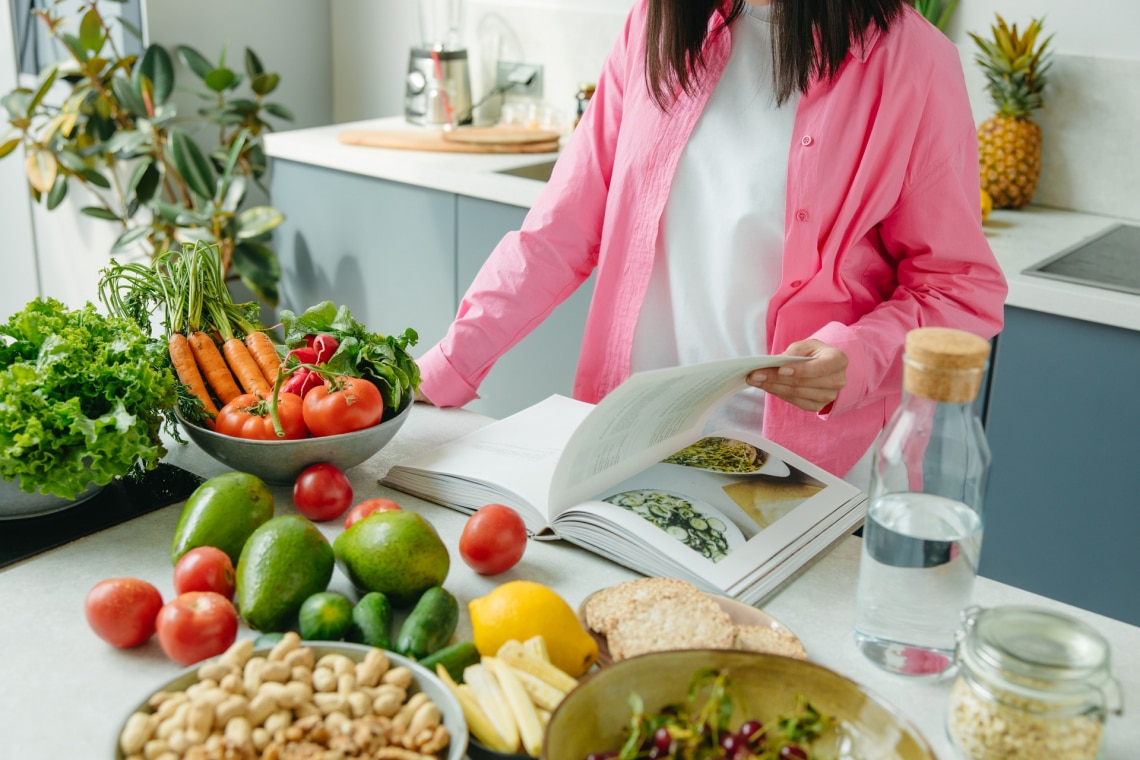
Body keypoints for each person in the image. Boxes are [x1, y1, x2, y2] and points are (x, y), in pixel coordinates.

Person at [414, 0, 1008, 488]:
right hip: (635, 441)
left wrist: (858, 359)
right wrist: (442, 368)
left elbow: (958, 289)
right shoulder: (658, 23)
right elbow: (560, 228)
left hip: (806, 473)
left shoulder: (913, 61)